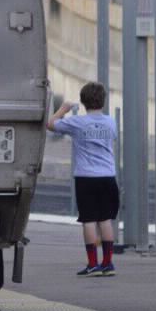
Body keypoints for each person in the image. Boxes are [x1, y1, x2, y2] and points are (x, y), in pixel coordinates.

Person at [46, 81, 120, 276]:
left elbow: (50, 124)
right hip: (107, 176)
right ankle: (108, 263)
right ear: (103, 101)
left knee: (88, 220)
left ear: (83, 102)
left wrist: (62, 109)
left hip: (86, 177)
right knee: (105, 220)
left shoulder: (77, 122)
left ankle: (93, 264)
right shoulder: (111, 122)